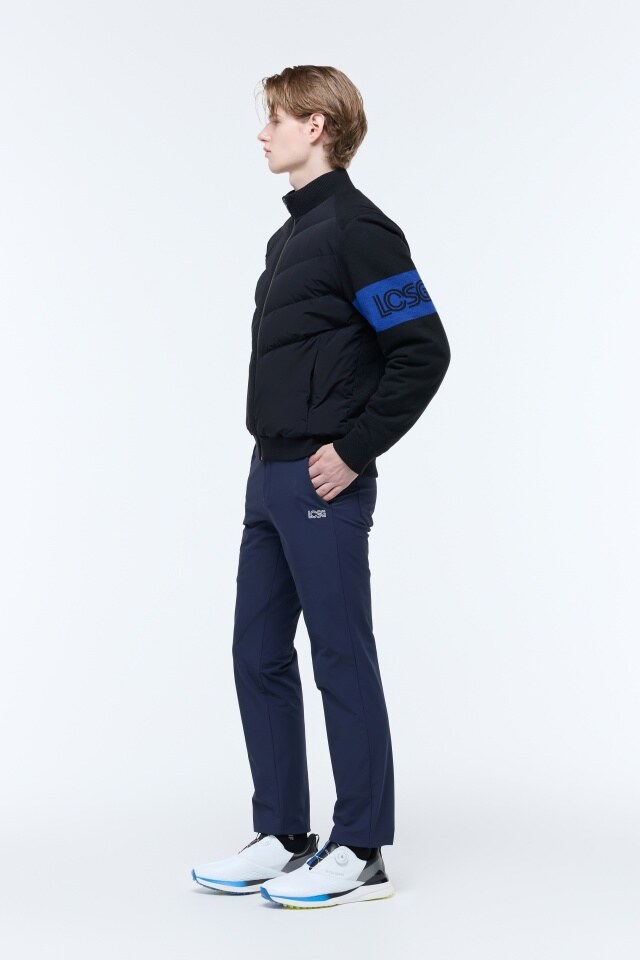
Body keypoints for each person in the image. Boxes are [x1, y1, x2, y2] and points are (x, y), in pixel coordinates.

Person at [192, 65, 451, 909]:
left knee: (340, 655)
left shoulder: (359, 229)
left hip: (321, 480)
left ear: (317, 126)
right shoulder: (289, 237)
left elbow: (424, 349)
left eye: (275, 118)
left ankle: (362, 848)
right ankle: (283, 834)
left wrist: (354, 449)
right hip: (267, 475)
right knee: (257, 653)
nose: (262, 133)